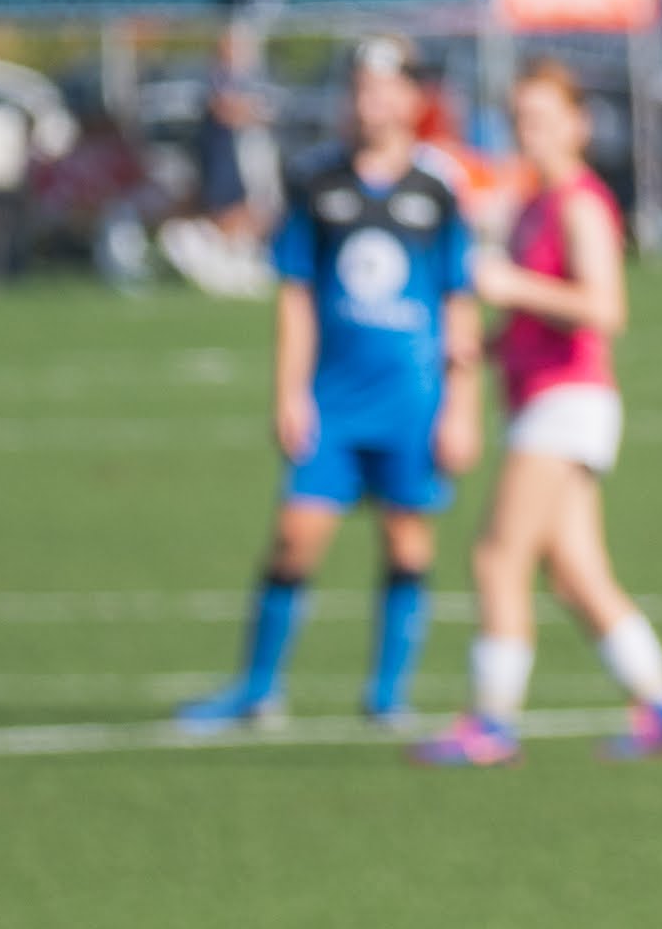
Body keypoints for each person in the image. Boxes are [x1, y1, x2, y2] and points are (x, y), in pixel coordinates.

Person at [176, 38, 475, 735]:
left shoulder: (438, 186)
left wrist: (461, 407)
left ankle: (386, 697)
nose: (370, 103)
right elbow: (296, 294)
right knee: (295, 539)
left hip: (411, 400)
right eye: (359, 90)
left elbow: (459, 301)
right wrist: (289, 392)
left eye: (384, 89)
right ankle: (256, 690)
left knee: (407, 545)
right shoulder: (316, 180)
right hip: (333, 402)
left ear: (411, 99)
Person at [407, 64, 662, 766]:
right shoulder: (534, 204)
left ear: (578, 123)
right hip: (544, 395)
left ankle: (491, 721)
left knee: (497, 557)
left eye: (542, 117)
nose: (527, 132)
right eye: (520, 119)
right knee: (575, 572)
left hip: (566, 399)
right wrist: (483, 344)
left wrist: (514, 286)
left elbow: (605, 308)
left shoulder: (578, 203)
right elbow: (535, 317)